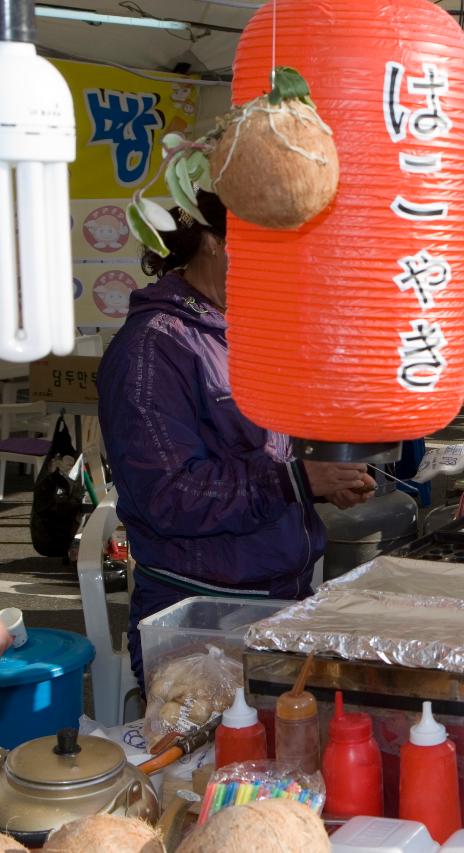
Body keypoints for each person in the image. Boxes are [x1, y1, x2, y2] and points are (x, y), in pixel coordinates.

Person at [98, 191, 375, 689]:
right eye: (262, 243)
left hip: (282, 596)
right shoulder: (152, 348)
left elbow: (264, 450)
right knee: (226, 757)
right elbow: (168, 493)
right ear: (212, 241)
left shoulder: (243, 329)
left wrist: (317, 482)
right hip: (199, 612)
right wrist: (292, 482)